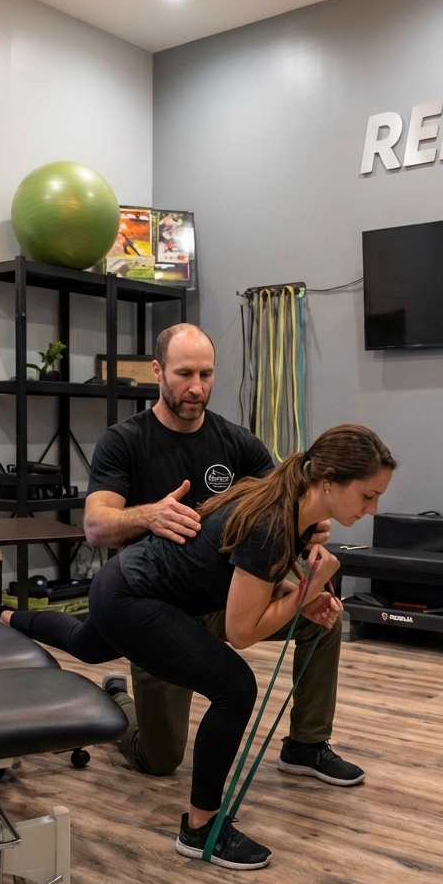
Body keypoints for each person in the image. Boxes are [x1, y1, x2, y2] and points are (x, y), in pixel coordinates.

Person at [0, 424, 396, 869]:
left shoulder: (292, 509)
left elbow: (259, 576)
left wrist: (305, 599)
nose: (373, 509)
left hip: (141, 589)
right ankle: (201, 830)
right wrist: (307, 591)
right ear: (329, 481)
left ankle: (0, 615)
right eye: (367, 495)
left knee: (84, 644)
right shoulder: (274, 521)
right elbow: (243, 633)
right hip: (133, 597)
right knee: (234, 688)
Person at [81, 323, 363, 788]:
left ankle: (307, 744)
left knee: (323, 615)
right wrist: (150, 515)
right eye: (184, 373)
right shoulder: (125, 441)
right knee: (161, 759)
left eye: (207, 374)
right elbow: (95, 526)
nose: (197, 388)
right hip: (158, 611)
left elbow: (286, 509)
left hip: (226, 595)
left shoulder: (237, 443)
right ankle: (116, 701)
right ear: (157, 371)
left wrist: (312, 526)